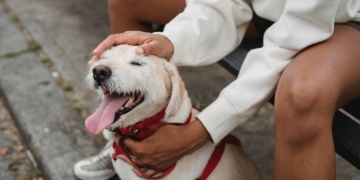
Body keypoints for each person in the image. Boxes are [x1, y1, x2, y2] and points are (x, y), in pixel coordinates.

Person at [74, 0, 360, 179]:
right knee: (127, 1)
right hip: (268, 9)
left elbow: (295, 35)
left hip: (341, 16)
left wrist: (200, 131)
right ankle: (127, 140)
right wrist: (167, 41)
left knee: (303, 94)